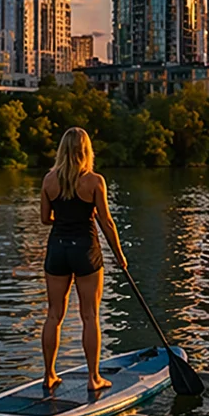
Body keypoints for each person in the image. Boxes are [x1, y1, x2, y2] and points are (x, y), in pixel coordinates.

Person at [38, 127, 128, 393]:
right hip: (86, 250)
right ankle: (93, 378)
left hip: (57, 249)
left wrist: (63, 219)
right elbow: (107, 222)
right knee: (90, 315)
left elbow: (45, 219)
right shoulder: (94, 181)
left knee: (54, 315)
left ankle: (49, 375)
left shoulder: (48, 180)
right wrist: (120, 255)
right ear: (86, 151)